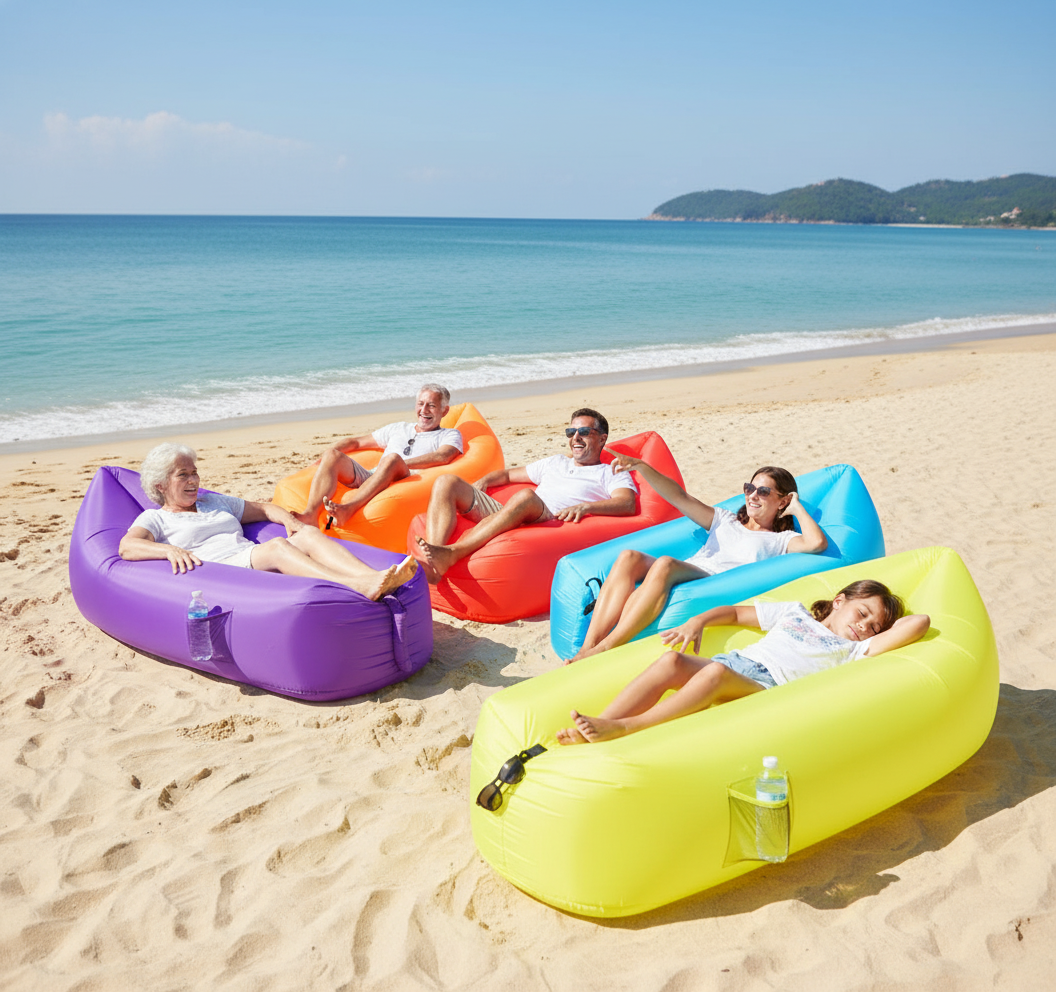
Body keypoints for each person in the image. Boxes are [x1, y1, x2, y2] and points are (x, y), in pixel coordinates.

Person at [557, 580, 931, 745]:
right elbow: (736, 614)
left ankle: (627, 727)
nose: (863, 626)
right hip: (738, 662)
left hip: (766, 688)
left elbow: (919, 624)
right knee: (672, 661)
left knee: (717, 672)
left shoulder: (853, 650)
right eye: (862, 613)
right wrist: (698, 620)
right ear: (839, 600)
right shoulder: (794, 613)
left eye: (873, 626)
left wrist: (888, 620)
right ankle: (604, 722)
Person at [569, 462, 827, 661]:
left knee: (666, 564)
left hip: (716, 580)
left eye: (763, 491)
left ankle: (608, 646)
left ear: (782, 500)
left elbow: (816, 544)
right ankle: (588, 646)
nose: (752, 496)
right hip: (695, 568)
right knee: (629, 556)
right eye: (749, 488)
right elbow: (680, 497)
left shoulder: (781, 539)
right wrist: (641, 467)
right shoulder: (725, 519)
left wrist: (796, 507)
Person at [119, 443, 417, 601]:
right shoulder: (156, 517)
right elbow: (128, 547)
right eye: (182, 475)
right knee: (276, 547)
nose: (193, 480)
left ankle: (376, 578)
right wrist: (168, 550)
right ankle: (357, 586)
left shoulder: (213, 502)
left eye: (194, 472)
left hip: (247, 559)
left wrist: (293, 522)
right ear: (160, 485)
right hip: (219, 570)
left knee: (310, 534)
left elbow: (263, 509)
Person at [413, 408, 638, 584]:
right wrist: (484, 481)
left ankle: (453, 554)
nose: (575, 438)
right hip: (516, 512)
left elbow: (627, 503)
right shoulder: (555, 462)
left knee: (526, 497)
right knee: (446, 481)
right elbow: (508, 474)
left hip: (548, 519)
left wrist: (586, 507)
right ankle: (434, 560)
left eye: (584, 432)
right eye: (571, 432)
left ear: (602, 438)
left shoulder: (610, 471)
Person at [293, 384, 463, 528]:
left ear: (444, 410)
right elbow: (357, 442)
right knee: (332, 455)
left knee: (392, 459)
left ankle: (348, 509)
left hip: (406, 480)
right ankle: (310, 515)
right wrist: (320, 461)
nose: (423, 410)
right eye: (420, 404)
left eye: (431, 405)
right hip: (373, 475)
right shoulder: (399, 428)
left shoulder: (449, 434)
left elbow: (443, 456)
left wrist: (399, 463)